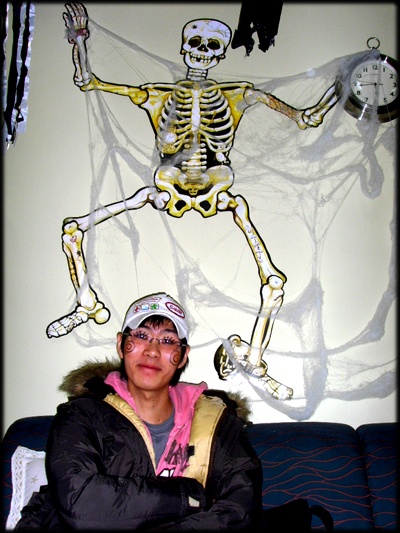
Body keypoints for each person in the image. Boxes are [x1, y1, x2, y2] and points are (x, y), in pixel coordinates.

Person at [16, 292, 263, 531]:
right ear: (120, 344)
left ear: (183, 356)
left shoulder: (218, 422)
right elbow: (82, 506)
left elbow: (241, 511)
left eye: (168, 341)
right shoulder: (80, 416)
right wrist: (190, 496)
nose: (152, 351)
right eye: (141, 335)